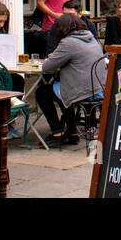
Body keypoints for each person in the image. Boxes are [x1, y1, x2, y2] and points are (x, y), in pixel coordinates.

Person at [36, 13, 106, 145]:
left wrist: (54, 57)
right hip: (98, 89)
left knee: (42, 93)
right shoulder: (92, 39)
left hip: (83, 92)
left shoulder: (68, 42)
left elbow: (47, 67)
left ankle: (57, 131)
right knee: (60, 89)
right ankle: (71, 131)